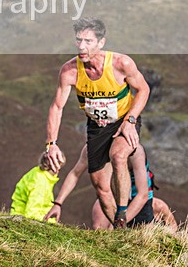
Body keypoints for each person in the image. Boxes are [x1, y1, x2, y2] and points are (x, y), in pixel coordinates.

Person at [45, 17, 150, 228]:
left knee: (119, 155)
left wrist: (130, 120)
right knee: (100, 186)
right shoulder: (69, 71)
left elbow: (144, 89)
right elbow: (57, 107)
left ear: (101, 42)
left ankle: (122, 211)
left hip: (123, 121)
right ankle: (122, 231)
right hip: (96, 127)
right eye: (78, 40)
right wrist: (51, 144)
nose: (82, 46)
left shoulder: (121, 63)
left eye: (88, 41)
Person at [44, 145, 176, 230]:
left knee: (144, 242)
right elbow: (75, 173)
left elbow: (143, 195)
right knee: (100, 230)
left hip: (138, 199)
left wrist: (121, 222)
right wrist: (58, 203)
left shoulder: (134, 150)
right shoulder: (93, 148)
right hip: (111, 197)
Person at [11, 152, 61, 223]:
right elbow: (32, 214)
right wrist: (52, 222)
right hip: (22, 219)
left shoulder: (38, 173)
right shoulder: (40, 182)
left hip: (19, 214)